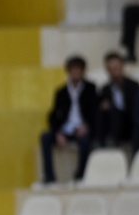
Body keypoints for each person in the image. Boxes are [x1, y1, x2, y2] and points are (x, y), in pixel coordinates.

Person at [40, 55, 97, 184]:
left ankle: (81, 175)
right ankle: (49, 177)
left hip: (82, 129)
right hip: (66, 129)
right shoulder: (61, 92)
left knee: (86, 140)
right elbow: (53, 115)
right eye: (73, 69)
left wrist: (87, 126)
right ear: (68, 71)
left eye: (78, 69)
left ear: (83, 71)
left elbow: (95, 113)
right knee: (45, 137)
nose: (76, 72)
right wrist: (57, 132)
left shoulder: (91, 89)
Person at [95, 50, 139, 148]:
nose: (115, 72)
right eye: (112, 69)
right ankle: (102, 145)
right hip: (113, 124)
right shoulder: (105, 89)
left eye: (117, 68)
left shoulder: (134, 86)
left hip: (130, 123)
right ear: (108, 70)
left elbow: (136, 109)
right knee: (103, 111)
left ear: (122, 67)